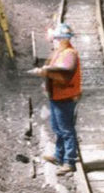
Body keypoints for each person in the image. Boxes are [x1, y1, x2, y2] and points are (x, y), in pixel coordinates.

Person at [30, 22, 82, 174]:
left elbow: (66, 70)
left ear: (64, 39)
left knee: (66, 130)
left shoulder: (69, 54)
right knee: (58, 128)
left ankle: (69, 161)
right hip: (57, 96)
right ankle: (59, 155)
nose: (56, 41)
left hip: (65, 97)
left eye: (58, 38)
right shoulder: (61, 51)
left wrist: (46, 70)